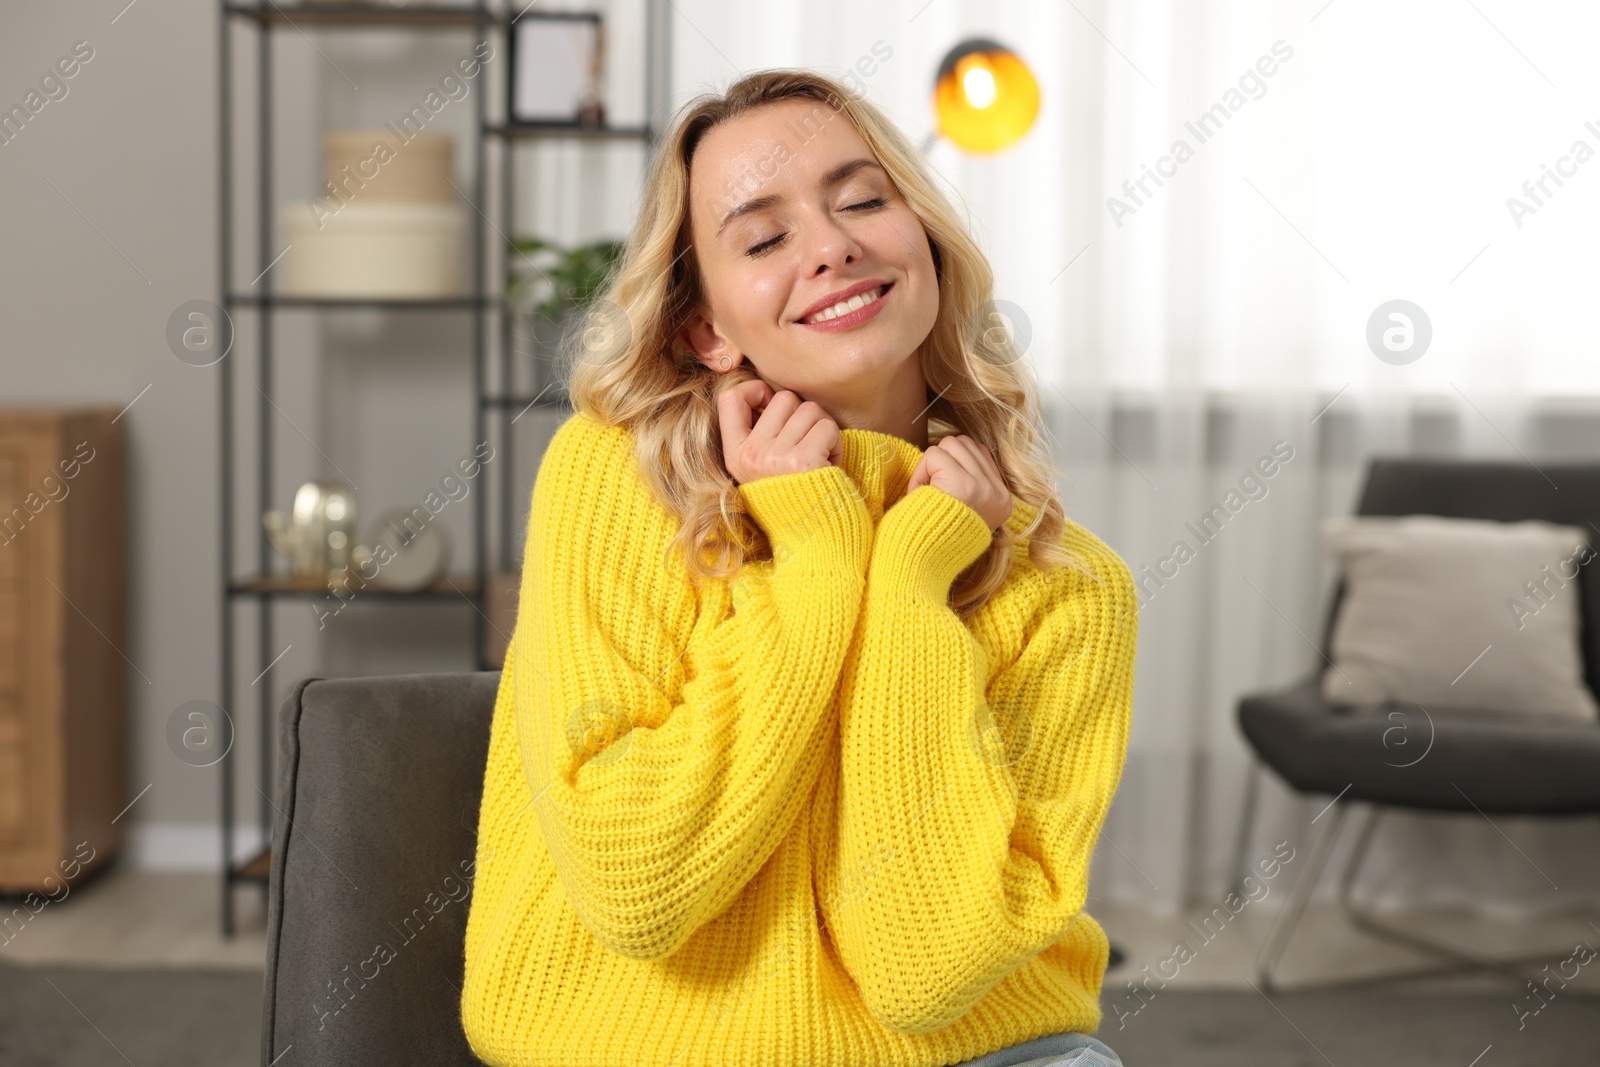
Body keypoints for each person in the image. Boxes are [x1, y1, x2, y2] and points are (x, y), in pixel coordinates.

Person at [460, 68, 1138, 1067]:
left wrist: (910, 585)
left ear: (928, 246)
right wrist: (821, 553)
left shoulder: (1069, 584)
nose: (833, 246)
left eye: (864, 200)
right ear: (707, 330)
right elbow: (636, 887)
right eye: (765, 238)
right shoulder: (616, 479)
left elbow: (925, 972)